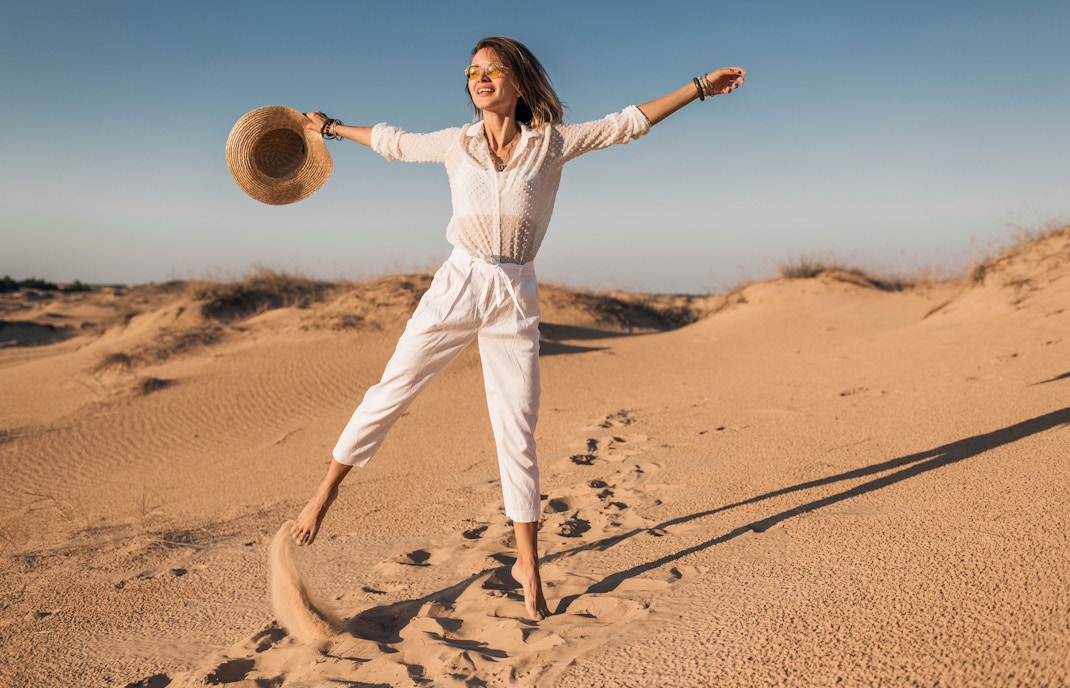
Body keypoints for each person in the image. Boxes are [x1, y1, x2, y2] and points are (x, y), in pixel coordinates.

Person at [291, 36, 745, 621]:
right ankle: (325, 492)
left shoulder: (550, 144)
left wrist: (700, 87)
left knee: (517, 425)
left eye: (494, 69)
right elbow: (393, 144)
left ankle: (527, 561)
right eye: (473, 71)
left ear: (520, 83)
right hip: (459, 283)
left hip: (515, 294)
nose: (480, 78)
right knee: (392, 389)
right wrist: (331, 128)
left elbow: (627, 123)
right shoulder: (457, 143)